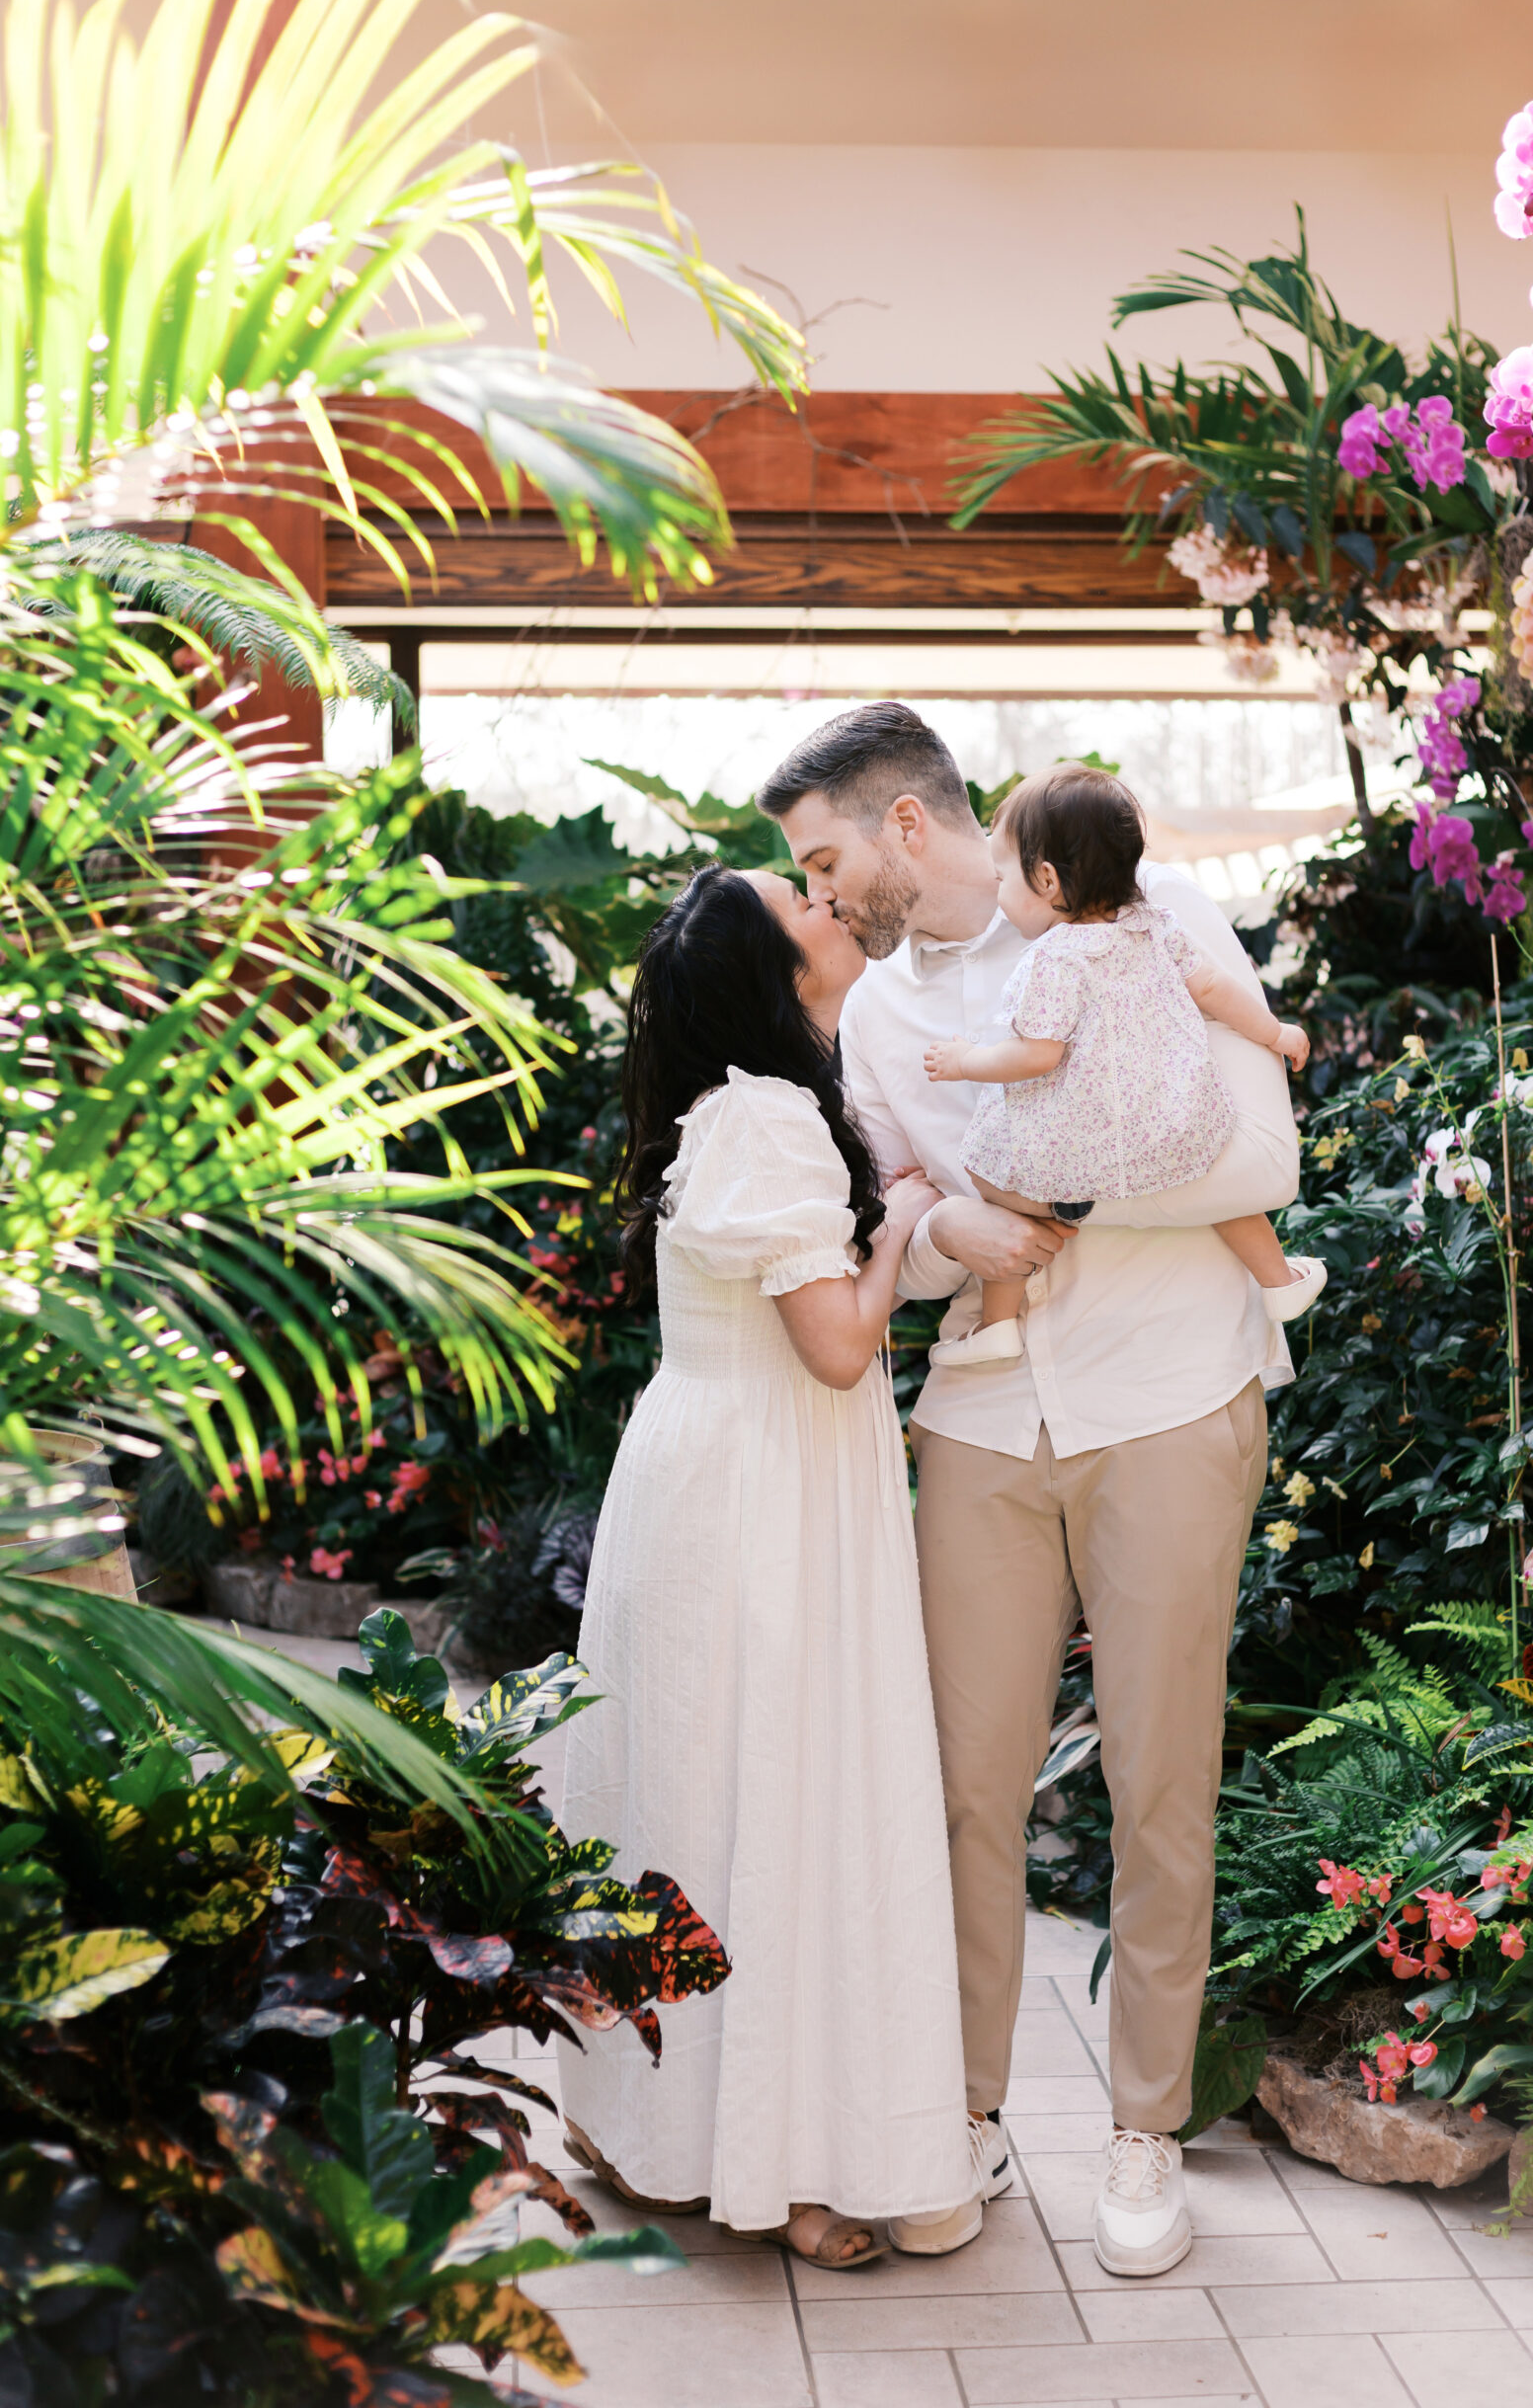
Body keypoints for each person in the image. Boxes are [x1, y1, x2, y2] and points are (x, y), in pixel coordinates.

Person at [758, 703, 1298, 2279]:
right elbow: (890, 1218)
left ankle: (1142, 2130)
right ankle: (958, 2115)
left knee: (1159, 1782)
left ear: (903, 826)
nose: (816, 892)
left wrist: (1049, 1192)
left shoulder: (1147, 910)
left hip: (1171, 1393)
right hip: (983, 1418)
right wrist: (948, 1233)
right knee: (959, 1790)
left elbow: (1256, 1156)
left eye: (822, 858)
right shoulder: (874, 1016)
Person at [555, 860, 977, 2270]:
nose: (824, 901)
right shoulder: (769, 1116)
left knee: (701, 1799)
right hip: (762, 1493)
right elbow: (839, 1346)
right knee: (778, 1803)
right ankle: (784, 2166)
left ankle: (668, 2130)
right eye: (792, 902)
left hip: (719, 1474)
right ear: (768, 973)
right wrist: (902, 1231)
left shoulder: (746, 1110)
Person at [923, 762, 1325, 1366]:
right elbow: (1213, 986)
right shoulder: (1155, 926)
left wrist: (965, 1062)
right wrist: (1276, 1032)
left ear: (1047, 879)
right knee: (1215, 1188)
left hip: (1079, 1156)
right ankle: (1279, 1280)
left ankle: (997, 1324)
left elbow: (1037, 1055)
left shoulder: (1054, 959)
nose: (999, 895)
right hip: (1170, 1127)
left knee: (996, 1179)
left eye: (1003, 877)